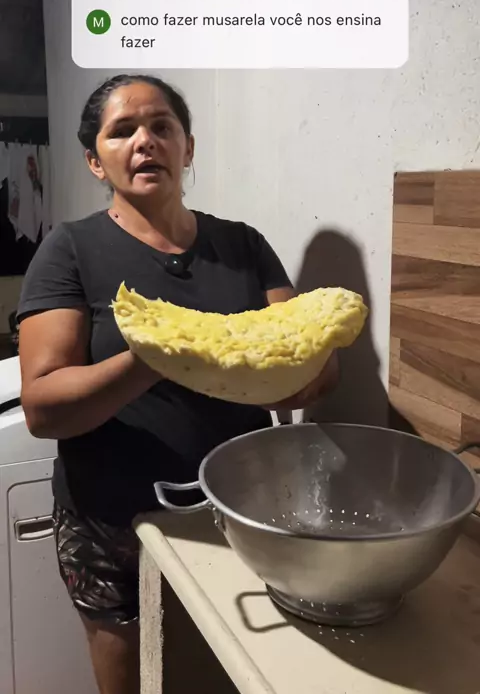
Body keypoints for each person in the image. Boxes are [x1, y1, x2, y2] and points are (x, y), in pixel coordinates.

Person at [17, 74, 339, 694]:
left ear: (187, 147)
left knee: (226, 674)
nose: (145, 141)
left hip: (239, 518)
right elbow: (44, 407)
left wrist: (301, 373)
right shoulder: (70, 250)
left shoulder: (243, 246)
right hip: (112, 524)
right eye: (122, 131)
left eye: (161, 126)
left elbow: (308, 364)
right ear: (95, 160)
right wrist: (161, 356)